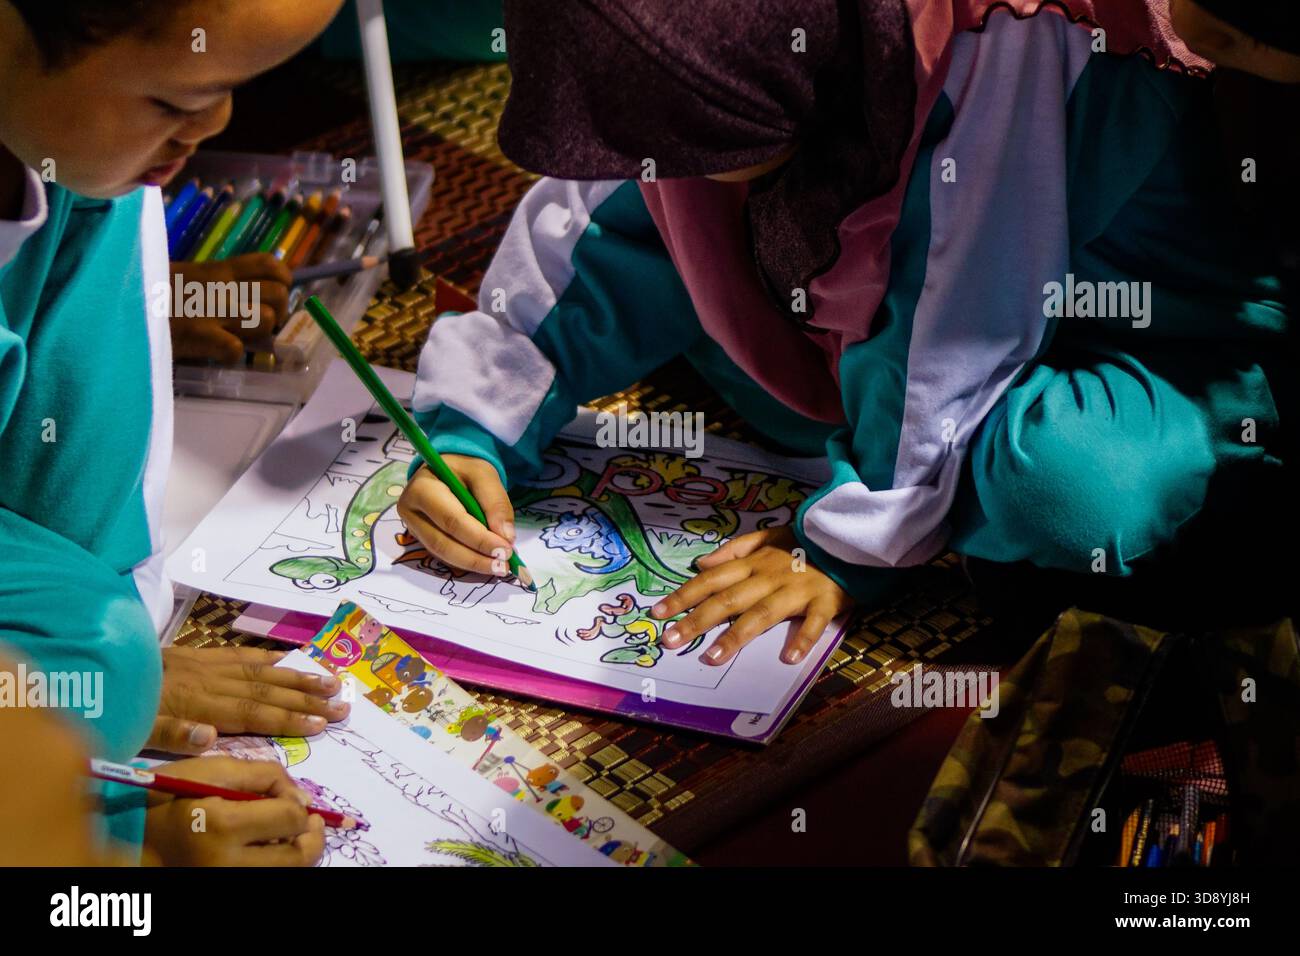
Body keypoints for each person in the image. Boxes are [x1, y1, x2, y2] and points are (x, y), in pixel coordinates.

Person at [398, 0, 1297, 667]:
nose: (652, 163)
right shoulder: (714, 55)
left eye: (679, 141)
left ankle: (928, 481)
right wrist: (475, 424)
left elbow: (956, 312)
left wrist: (847, 543)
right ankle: (900, 455)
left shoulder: (1004, 46)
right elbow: (580, 214)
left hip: (1126, 338)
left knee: (1071, 488)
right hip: (912, 333)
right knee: (678, 237)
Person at [0, 0, 347, 862]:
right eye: (174, 101)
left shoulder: (77, 165)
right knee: (102, 662)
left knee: (107, 662)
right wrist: (126, 849)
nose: (219, 124)